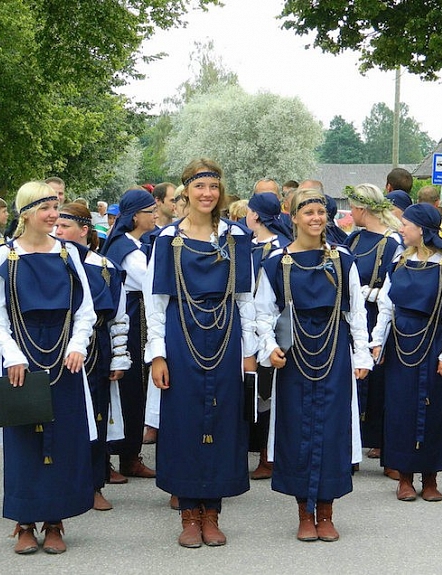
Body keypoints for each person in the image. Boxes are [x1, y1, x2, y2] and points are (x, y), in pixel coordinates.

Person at [146, 158, 257, 548]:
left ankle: (213, 513)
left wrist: (250, 350)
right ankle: (189, 514)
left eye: (213, 187)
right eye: (199, 187)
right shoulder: (166, 239)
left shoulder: (236, 237)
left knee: (224, 419)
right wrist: (157, 355)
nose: (207, 194)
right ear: (186, 191)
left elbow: (246, 298)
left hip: (227, 335)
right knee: (183, 421)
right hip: (182, 333)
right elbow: (156, 303)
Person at [0, 181, 96, 555]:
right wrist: (12, 354)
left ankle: (56, 520)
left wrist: (78, 345)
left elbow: (85, 309)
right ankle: (25, 521)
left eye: (56, 209)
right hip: (22, 358)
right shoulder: (5, 257)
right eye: (46, 209)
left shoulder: (68, 255)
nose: (53, 216)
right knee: (24, 442)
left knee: (62, 440)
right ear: (26, 212)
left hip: (63, 358)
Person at [255, 187, 372, 542]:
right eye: (308, 213)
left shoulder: (342, 260)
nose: (316, 219)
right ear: (294, 218)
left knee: (332, 428)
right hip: (294, 354)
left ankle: (326, 511)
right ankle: (304, 513)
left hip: (334, 350)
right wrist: (270, 346)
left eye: (321, 213)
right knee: (296, 429)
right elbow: (263, 313)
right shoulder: (276, 262)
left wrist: (363, 353)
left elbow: (357, 313)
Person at [370, 203, 442, 503]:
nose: (402, 229)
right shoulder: (400, 262)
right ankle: (404, 476)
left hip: (433, 343)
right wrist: (378, 341)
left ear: (423, 230)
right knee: (400, 409)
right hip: (400, 345)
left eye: (406, 225)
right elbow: (386, 307)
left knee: (434, 408)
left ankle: (430, 477)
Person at [54, 201, 131, 512]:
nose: (57, 232)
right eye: (55, 226)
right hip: (57, 347)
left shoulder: (106, 268)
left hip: (96, 348)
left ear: (83, 230)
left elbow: (119, 316)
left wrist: (119, 357)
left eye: (64, 227)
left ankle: (95, 484)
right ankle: (62, 485)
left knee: (96, 416)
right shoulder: (51, 261)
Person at [345, 184, 403, 479]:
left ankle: (388, 451)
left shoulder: (393, 243)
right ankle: (351, 450)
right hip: (355, 317)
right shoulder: (354, 238)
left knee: (381, 383)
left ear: (361, 209)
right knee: (353, 383)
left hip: (379, 318)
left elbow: (395, 284)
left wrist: (373, 295)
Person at [101, 189, 158, 481]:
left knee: (137, 388)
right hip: (131, 321)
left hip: (139, 319)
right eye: (150, 211)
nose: (155, 215)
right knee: (128, 388)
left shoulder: (135, 243)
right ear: (136, 215)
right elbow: (149, 280)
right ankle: (119, 455)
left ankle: (130, 454)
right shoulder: (126, 249)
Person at [245, 192, 292, 480]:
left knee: (267, 391)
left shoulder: (280, 250)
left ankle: (268, 455)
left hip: (270, 325)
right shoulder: (247, 246)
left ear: (256, 216)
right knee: (250, 390)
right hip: (245, 323)